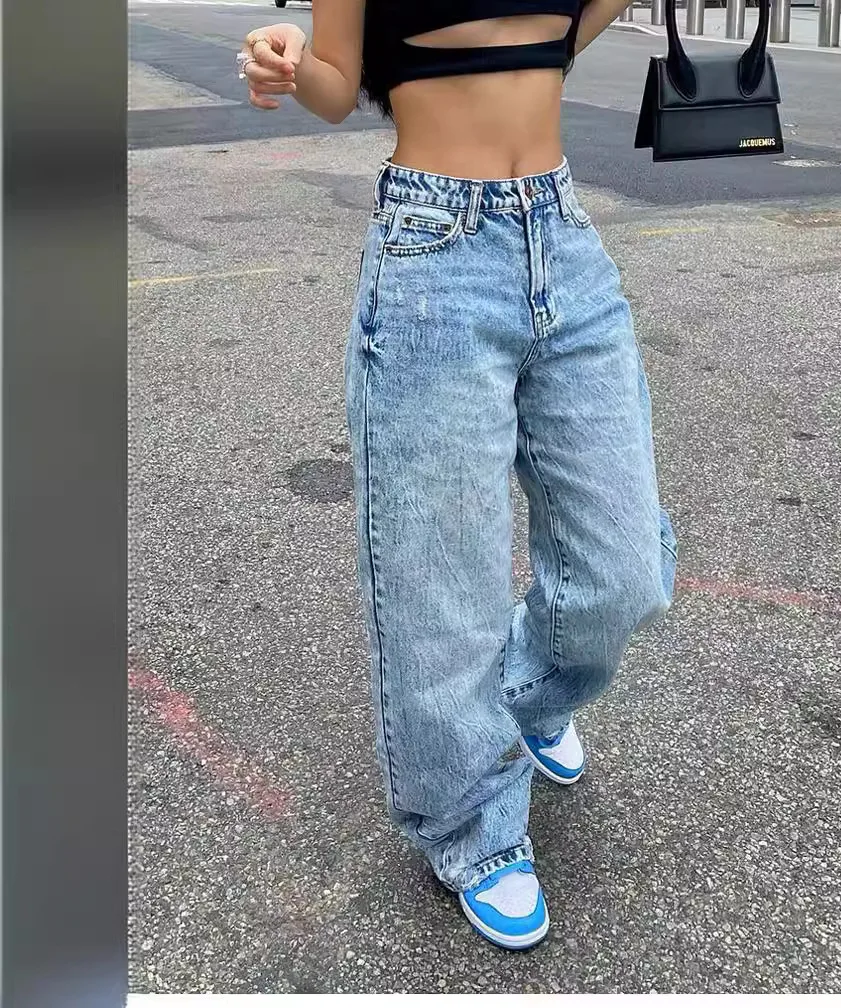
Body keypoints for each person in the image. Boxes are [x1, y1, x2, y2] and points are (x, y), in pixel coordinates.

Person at [236, 0, 676, 951]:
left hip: (563, 236)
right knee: (438, 575)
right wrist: (287, 57)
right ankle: (472, 821)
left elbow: (565, 33)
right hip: (435, 253)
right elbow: (336, 84)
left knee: (623, 569)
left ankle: (528, 696)